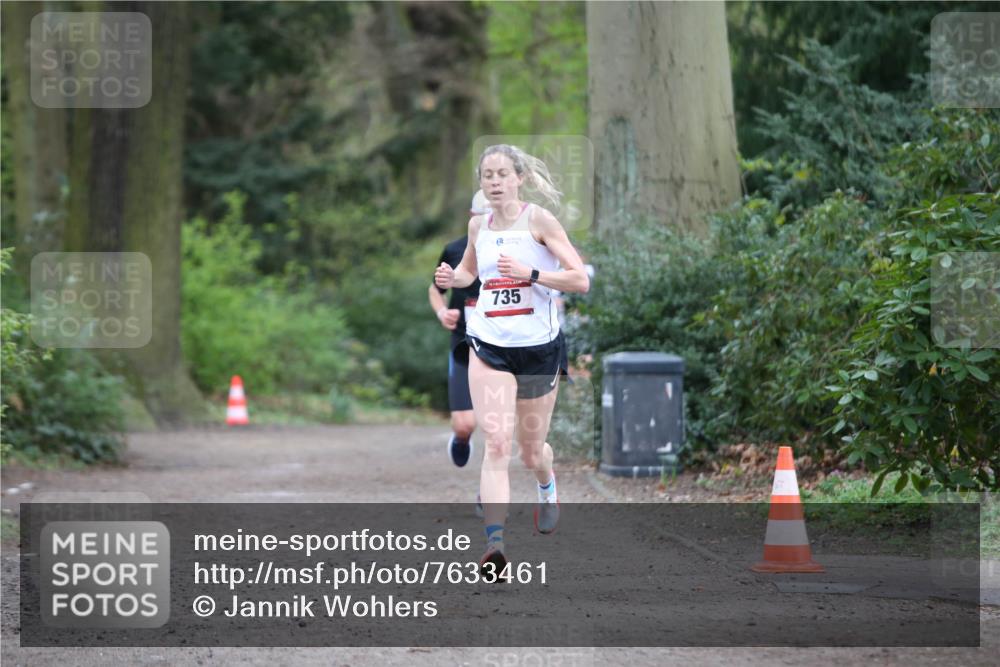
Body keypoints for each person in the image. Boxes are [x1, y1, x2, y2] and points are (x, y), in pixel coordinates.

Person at [434, 144, 590, 577]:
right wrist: (453, 278)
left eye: (503, 174)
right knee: (497, 443)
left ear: (519, 177)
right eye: (488, 175)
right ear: (481, 183)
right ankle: (495, 544)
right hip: (489, 344)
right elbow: (469, 272)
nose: (495, 182)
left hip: (539, 348)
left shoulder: (539, 220)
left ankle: (546, 484)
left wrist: (531, 274)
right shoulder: (477, 225)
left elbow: (579, 280)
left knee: (530, 451)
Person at [428, 191, 488, 467]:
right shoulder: (454, 250)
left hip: (501, 346)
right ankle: (461, 439)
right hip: (463, 342)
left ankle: (487, 492)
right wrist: (442, 311)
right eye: (480, 216)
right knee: (465, 424)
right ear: (471, 217)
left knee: (496, 428)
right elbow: (435, 289)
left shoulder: (513, 252)